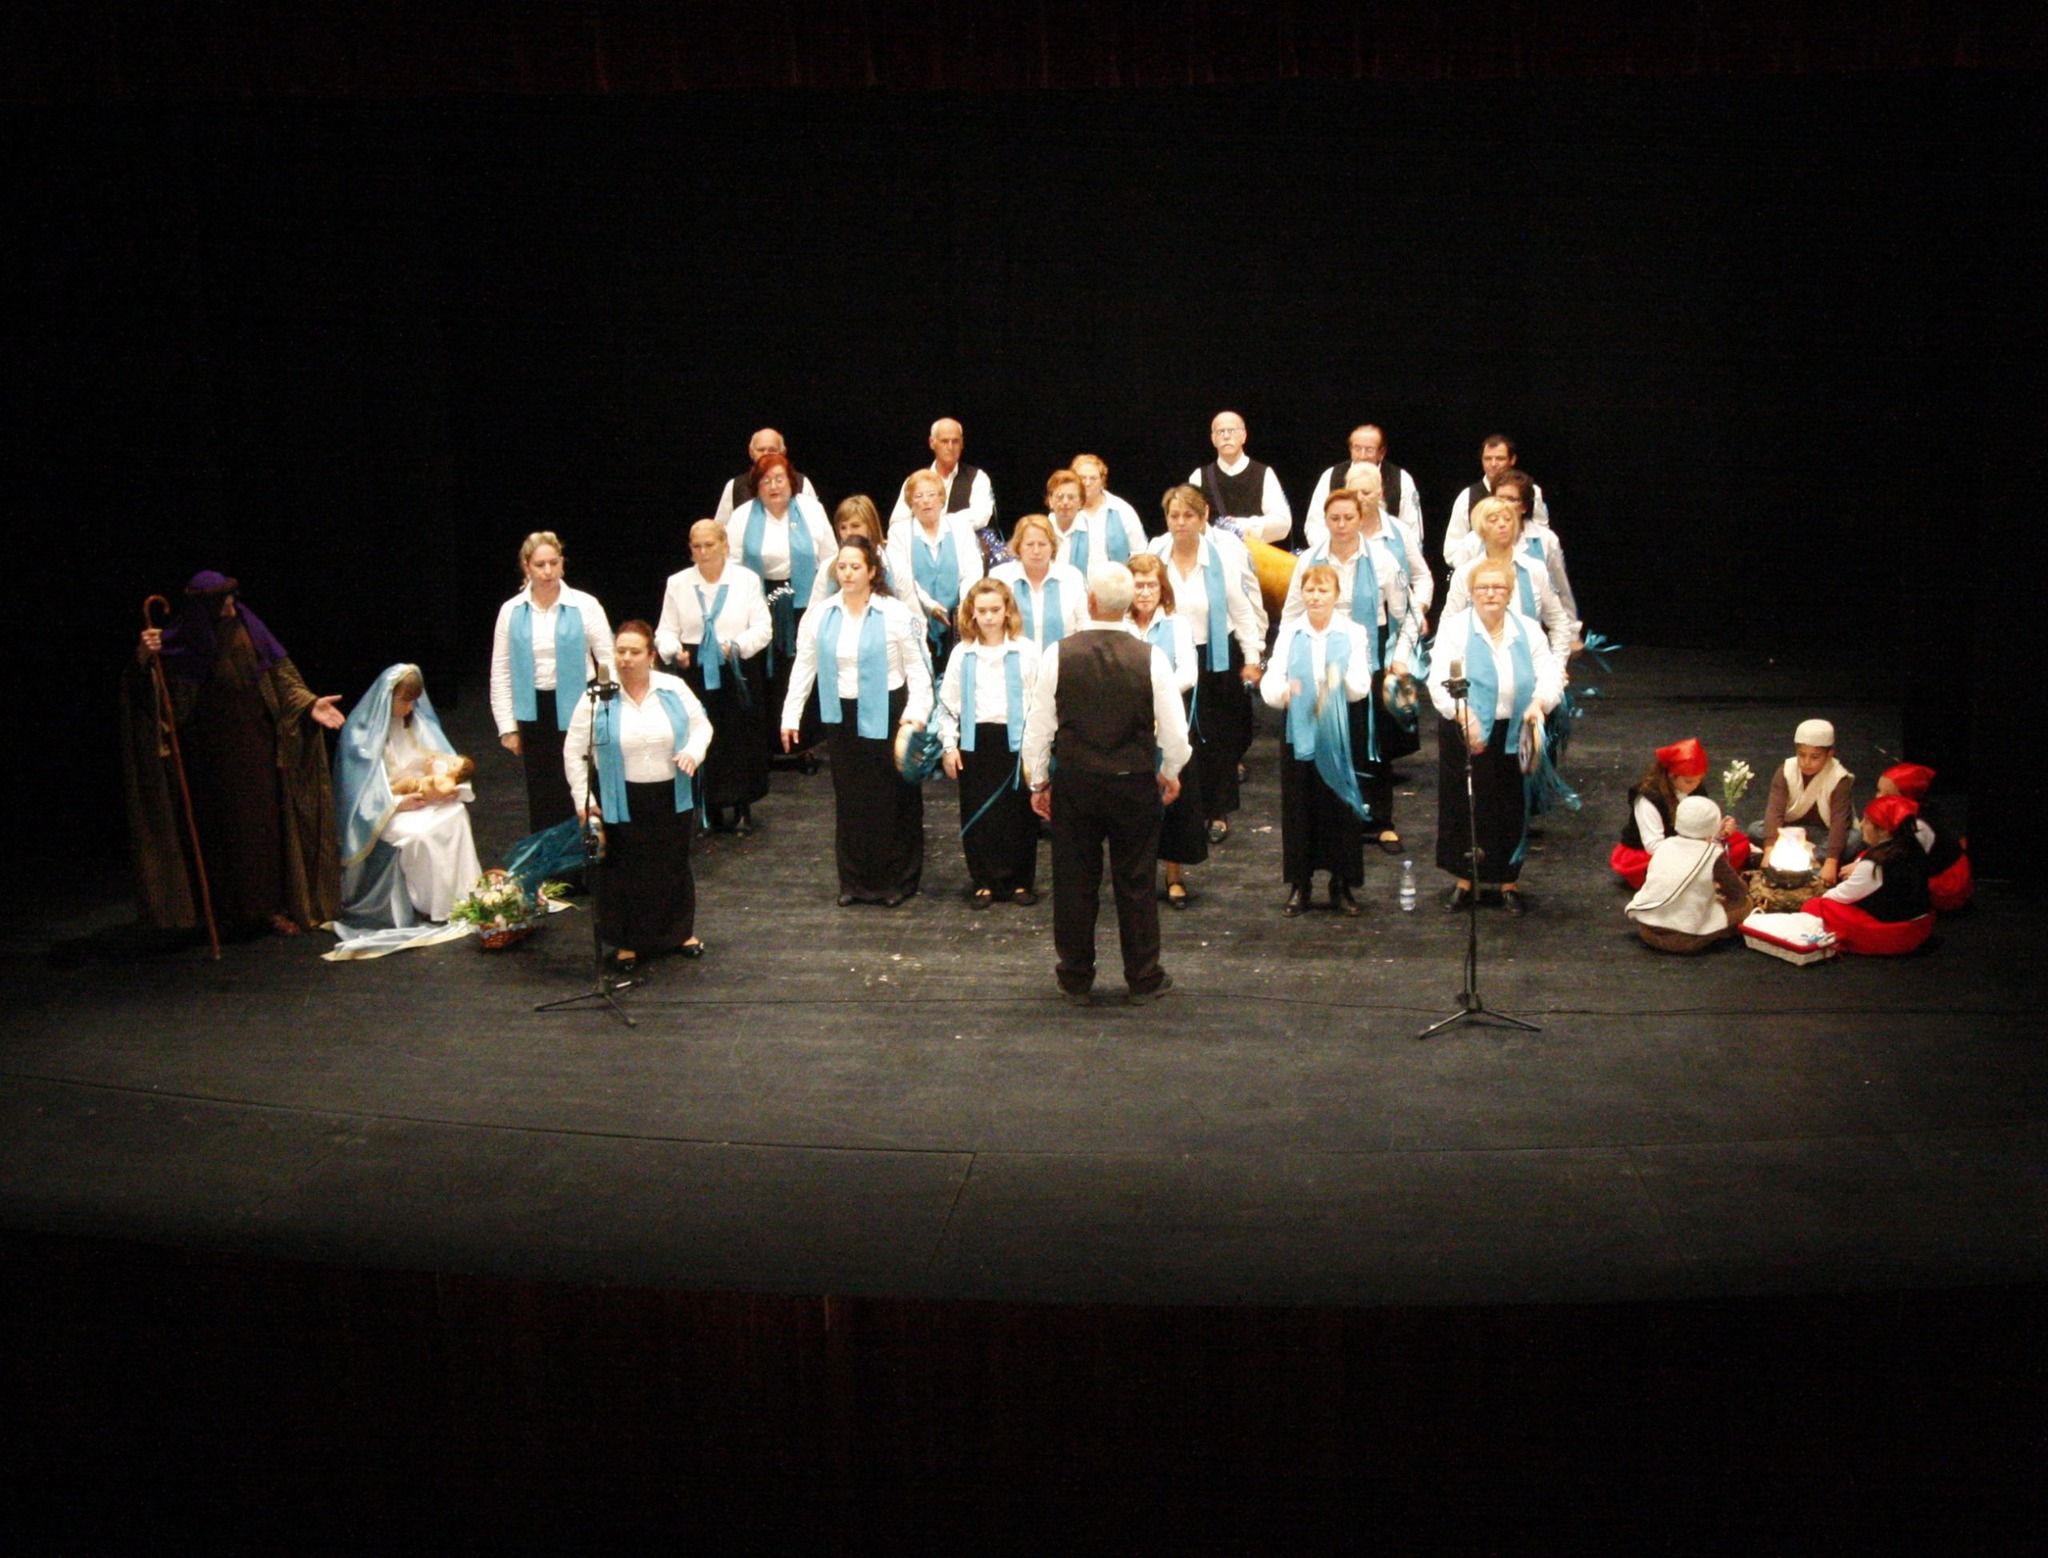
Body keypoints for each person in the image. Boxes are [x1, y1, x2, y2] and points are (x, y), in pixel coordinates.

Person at [125, 570, 344, 938]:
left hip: (255, 751)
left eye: (231, 598)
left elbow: (283, 681)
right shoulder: (180, 644)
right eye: (220, 601)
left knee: (262, 832)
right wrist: (145, 660)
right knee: (219, 835)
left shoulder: (250, 629)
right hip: (208, 759)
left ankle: (267, 909)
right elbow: (159, 703)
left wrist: (309, 705)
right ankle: (223, 913)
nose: (229, 608)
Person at [1022, 562, 1191, 1005]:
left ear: (1090, 602)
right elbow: (1175, 732)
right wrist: (1169, 772)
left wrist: (1039, 781)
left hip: (1077, 781)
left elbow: (1039, 725)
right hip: (1132, 781)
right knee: (1136, 882)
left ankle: (1075, 978)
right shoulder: (1150, 657)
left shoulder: (1058, 654)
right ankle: (1143, 977)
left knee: (1074, 881)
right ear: (1127, 604)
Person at [781, 536, 934, 906]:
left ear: (872, 571)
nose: (847, 573)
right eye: (842, 567)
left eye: (855, 567)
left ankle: (897, 880)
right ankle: (855, 882)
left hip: (890, 712)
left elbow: (920, 671)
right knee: (851, 799)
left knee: (892, 799)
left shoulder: (896, 614)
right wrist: (790, 714)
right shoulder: (821, 614)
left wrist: (914, 718)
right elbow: (805, 666)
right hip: (842, 717)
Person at [1282, 484, 1425, 851]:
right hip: (1317, 655)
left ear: (1361, 519)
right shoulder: (1309, 560)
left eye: (1349, 518)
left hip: (1369, 657)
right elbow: (1291, 616)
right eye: (1335, 518)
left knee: (1372, 743)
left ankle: (1381, 821)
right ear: (1324, 520)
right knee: (1324, 742)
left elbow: (1408, 615)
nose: (1342, 525)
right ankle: (1333, 820)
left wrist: (1401, 657)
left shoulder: (1382, 559)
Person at [565, 620, 712, 972]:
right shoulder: (597, 696)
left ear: (651, 656)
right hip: (621, 793)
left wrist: (693, 751)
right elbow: (574, 751)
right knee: (624, 868)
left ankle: (679, 932)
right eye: (620, 651)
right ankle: (628, 941)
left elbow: (702, 725)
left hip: (669, 791)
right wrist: (582, 797)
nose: (626, 659)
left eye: (634, 652)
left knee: (672, 862)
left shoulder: (672, 688)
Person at [1428, 558, 1564, 915]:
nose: (1490, 593)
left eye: (1498, 587)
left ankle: (1508, 882)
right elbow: (1438, 678)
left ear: (1509, 593)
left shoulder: (1529, 630)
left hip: (1514, 728)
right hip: (1465, 725)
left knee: (1510, 804)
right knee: (1465, 803)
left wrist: (1539, 704)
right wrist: (1463, 714)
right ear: (1471, 593)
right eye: (1482, 588)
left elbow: (1549, 674)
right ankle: (1464, 880)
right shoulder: (1456, 629)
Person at [330, 664, 482, 955]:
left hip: (419, 801)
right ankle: (431, 904)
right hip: (386, 811)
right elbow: (359, 792)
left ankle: (460, 899)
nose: (410, 707)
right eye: (405, 700)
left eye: (414, 700)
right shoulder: (361, 736)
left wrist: (442, 786)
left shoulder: (416, 725)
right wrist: (399, 802)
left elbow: (442, 761)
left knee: (456, 817)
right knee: (421, 835)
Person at [1150, 484, 1264, 844]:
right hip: (1169, 657)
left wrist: (1252, 657)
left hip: (1215, 655)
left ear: (1203, 519)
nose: (1180, 523)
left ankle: (1217, 811)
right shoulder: (1155, 553)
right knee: (1175, 734)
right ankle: (1181, 808)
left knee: (1217, 738)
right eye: (1174, 515)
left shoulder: (1222, 556)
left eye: (1188, 515)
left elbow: (1243, 609)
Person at [1262, 565, 1378, 916]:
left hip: (1340, 732)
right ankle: (1300, 884)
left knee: (1340, 808)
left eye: (1323, 590)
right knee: (1300, 806)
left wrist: (1337, 683)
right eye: (1310, 590)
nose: (1315, 597)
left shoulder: (1354, 632)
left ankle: (1341, 884)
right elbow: (1271, 681)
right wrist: (1284, 692)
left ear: (1336, 594)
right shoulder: (1290, 632)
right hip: (1300, 732)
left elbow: (1361, 684)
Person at [489, 531, 616, 835]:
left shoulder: (585, 605)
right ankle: (551, 875)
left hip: (579, 707)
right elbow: (501, 671)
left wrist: (608, 710)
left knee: (581, 787)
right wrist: (507, 726)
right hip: (535, 712)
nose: (547, 571)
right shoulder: (511, 611)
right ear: (527, 567)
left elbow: (608, 659)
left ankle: (585, 872)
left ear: (562, 564)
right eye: (539, 565)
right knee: (543, 793)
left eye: (553, 563)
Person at [656, 519, 772, 834]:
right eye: (697, 546)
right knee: (700, 734)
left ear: (724, 545)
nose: (704, 552)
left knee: (738, 736)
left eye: (710, 545)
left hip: (734, 666)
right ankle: (707, 807)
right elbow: (665, 630)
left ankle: (742, 806)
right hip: (694, 667)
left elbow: (763, 627)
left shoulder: (745, 580)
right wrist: (672, 649)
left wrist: (737, 646)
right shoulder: (678, 583)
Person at [724, 450, 836, 764]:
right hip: (759, 598)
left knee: (798, 665)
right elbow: (732, 563)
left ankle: (804, 742)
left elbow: (829, 557)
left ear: (791, 482)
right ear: (756, 486)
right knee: (763, 670)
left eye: (780, 479)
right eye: (766, 481)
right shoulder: (743, 516)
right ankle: (765, 744)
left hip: (803, 597)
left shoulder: (811, 511)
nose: (774, 486)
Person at [936, 579, 1042, 908]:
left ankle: (1020, 881)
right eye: (982, 611)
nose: (989, 617)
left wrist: (1039, 749)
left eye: (995, 610)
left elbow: (1040, 701)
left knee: (1019, 814)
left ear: (1007, 610)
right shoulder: (962, 654)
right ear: (972, 614)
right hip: (976, 741)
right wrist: (949, 746)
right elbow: (948, 704)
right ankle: (983, 879)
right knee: (979, 813)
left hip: (1016, 739)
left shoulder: (1026, 651)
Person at [1126, 553, 1205, 909]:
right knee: (1133, 799)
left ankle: (1174, 877)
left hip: (1169, 716)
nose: (1144, 592)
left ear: (1163, 589)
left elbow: (1188, 672)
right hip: (1129, 723)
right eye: (1138, 585)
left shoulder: (1177, 625)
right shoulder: (1118, 625)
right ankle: (1136, 876)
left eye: (1151, 585)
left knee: (1172, 795)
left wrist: (1157, 698)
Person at [1440, 497, 1577, 663]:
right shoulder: (1465, 574)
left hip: (1530, 665)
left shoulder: (1534, 569)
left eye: (1508, 519)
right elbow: (1448, 626)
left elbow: (1558, 622)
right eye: (1494, 520)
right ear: (1481, 528)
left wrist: (1557, 666)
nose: (1502, 524)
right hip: (1478, 668)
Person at [1449, 468, 1579, 636]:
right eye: (1499, 498)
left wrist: (1572, 633)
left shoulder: (1545, 541)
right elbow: (1458, 591)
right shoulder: (1473, 541)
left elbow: (1561, 588)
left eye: (1511, 499)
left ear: (1524, 506)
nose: (1504, 505)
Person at [1801, 793, 1934, 955]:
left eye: (1867, 821)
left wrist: (1823, 895)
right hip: (1924, 925)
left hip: (1897, 935)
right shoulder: (1913, 846)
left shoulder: (1876, 864)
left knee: (1816, 906)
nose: (1862, 825)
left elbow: (1838, 896)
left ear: (1884, 831)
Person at [1610, 738, 1749, 888]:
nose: (1694, 785)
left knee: (1740, 844)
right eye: (1689, 782)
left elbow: (1701, 825)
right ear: (1671, 775)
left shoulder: (1695, 787)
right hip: (1654, 853)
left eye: (1699, 780)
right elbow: (1653, 845)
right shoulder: (1649, 798)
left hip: (1691, 844)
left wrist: (1717, 830)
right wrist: (1694, 850)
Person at [1626, 795, 1754, 954]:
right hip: (1684, 939)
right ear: (1713, 825)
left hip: (1647, 929)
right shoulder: (1712, 855)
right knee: (1745, 904)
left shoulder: (1665, 845)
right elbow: (1738, 892)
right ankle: (1720, 932)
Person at [888, 468, 986, 666]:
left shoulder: (959, 527)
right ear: (910, 503)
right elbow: (901, 578)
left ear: (942, 500)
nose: (926, 501)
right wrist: (929, 605)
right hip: (915, 617)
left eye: (932, 495)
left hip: (957, 620)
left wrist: (964, 605)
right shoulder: (899, 532)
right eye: (919, 496)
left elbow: (973, 569)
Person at [1754, 719, 1856, 888]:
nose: (1806, 762)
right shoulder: (1786, 770)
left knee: (1854, 839)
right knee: (1755, 829)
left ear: (1830, 754)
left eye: (1815, 757)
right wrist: (1769, 849)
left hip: (1824, 833)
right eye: (1802, 755)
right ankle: (1811, 859)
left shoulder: (1839, 778)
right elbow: (1774, 810)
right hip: (1790, 832)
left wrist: (1831, 861)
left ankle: (1807, 856)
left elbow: (1839, 821)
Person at [1440, 434, 1553, 564]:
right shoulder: (1467, 496)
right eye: (1488, 459)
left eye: (1500, 458)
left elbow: (1542, 537)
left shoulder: (1532, 491)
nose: (1493, 464)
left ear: (1512, 460)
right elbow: (1452, 549)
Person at [1189, 409, 1292, 545]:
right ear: (1213, 439)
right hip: (1215, 557)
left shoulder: (1263, 473)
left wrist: (1241, 525)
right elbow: (1190, 521)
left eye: (1232, 431)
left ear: (1244, 436)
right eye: (1220, 431)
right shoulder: (1199, 476)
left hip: (1255, 559)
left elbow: (1283, 522)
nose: (1226, 436)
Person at [1878, 762, 1972, 911]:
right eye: (1878, 791)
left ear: (1907, 797)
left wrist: (1868, 865)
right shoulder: (1910, 813)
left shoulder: (1917, 825)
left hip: (1946, 887)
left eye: (1887, 794)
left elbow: (1900, 860)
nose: (1879, 797)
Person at [1306, 425, 1424, 542]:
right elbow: (1315, 525)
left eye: (1369, 450)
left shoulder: (1402, 479)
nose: (1362, 456)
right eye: (1357, 449)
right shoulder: (1330, 476)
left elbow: (1412, 530)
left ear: (1381, 452)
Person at [991, 514, 1088, 649]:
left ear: (1053, 546)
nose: (1036, 551)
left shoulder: (1072, 577)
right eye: (1029, 544)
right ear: (1018, 546)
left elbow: (1084, 624)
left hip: (1065, 660)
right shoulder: (1000, 576)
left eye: (1042, 544)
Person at [886, 417, 995, 532]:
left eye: (955, 441)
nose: (950, 447)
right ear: (932, 443)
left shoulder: (978, 478)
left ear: (962, 443)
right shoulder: (915, 480)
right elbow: (897, 522)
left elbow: (981, 515)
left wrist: (936, 523)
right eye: (944, 441)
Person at [711, 428, 821, 527]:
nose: (766, 454)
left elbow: (816, 523)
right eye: (761, 450)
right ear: (751, 452)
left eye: (772, 450)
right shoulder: (735, 486)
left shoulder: (801, 482)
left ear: (783, 452)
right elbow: (720, 530)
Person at [1070, 453, 1149, 556]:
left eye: (1093, 478)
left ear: (1102, 481)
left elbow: (1140, 552)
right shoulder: (1065, 509)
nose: (1087, 483)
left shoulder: (1122, 510)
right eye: (1082, 478)